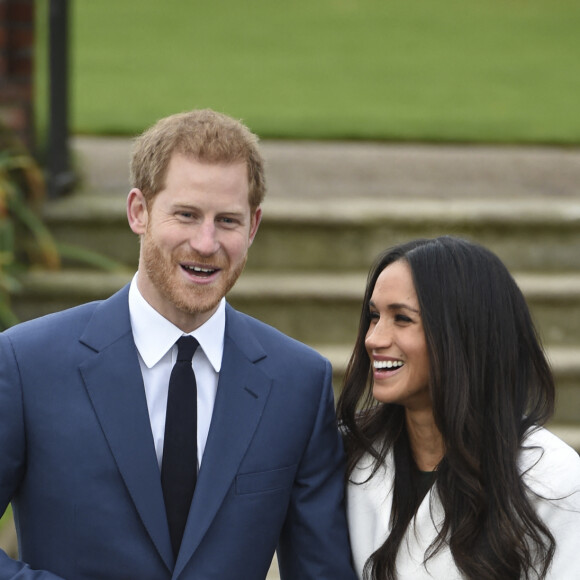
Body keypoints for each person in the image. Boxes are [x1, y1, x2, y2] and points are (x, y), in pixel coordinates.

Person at [0, 109, 356, 579]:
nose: (206, 243)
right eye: (186, 214)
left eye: (227, 220)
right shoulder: (27, 363)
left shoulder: (298, 384)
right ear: (138, 211)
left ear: (253, 227)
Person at [337, 236, 580, 580]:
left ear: (464, 333)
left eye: (402, 319)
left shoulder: (552, 479)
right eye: (374, 316)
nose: (373, 338)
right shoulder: (348, 454)